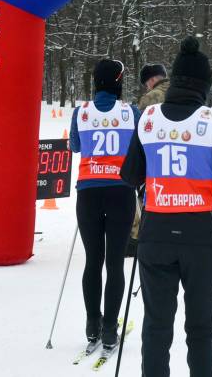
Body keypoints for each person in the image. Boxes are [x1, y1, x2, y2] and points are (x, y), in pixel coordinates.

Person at [121, 36, 212, 377]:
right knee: (201, 328)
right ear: (205, 86)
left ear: (175, 80)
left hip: (157, 233)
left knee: (157, 326)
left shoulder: (149, 117)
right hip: (200, 236)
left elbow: (129, 175)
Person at [69, 59, 139, 348]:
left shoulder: (80, 112)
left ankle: (92, 324)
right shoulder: (130, 111)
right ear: (119, 82)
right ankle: (110, 327)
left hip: (89, 192)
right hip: (121, 192)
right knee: (114, 264)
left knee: (93, 262)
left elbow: (75, 145)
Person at [129, 64, 169, 256]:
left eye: (147, 83)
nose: (147, 87)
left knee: (147, 201)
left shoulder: (151, 98)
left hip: (153, 158)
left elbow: (138, 130)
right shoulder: (182, 91)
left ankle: (139, 239)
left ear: (152, 80)